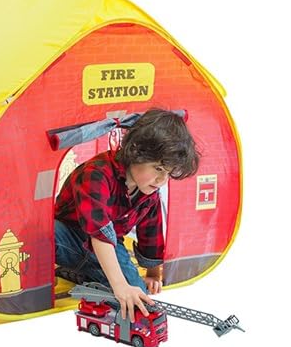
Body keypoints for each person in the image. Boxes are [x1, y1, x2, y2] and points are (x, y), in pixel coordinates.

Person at [54, 108, 200, 322]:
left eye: (169, 173)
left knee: (137, 298)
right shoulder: (96, 173)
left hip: (111, 245)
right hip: (68, 236)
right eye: (158, 168)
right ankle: (83, 269)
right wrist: (119, 285)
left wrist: (152, 273)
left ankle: (83, 272)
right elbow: (99, 231)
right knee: (43, 238)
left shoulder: (148, 192)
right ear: (136, 152)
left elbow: (151, 232)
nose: (162, 180)